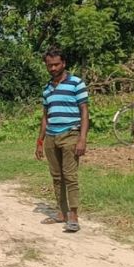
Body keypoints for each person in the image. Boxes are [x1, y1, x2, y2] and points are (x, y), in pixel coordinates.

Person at [34, 46, 89, 233]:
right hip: (51, 136)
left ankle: (73, 216)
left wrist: (82, 139)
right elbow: (45, 116)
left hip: (70, 135)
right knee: (57, 177)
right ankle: (61, 212)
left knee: (70, 177)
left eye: (56, 64)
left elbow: (84, 111)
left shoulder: (76, 84)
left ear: (64, 63)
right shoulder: (47, 88)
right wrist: (40, 141)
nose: (53, 68)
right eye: (49, 65)